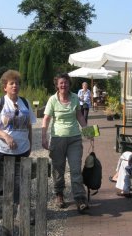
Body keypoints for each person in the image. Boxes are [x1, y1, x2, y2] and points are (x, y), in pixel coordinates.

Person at [42, 73, 89, 213]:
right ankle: (59, 194)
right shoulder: (52, 100)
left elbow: (79, 116)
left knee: (75, 169)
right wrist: (44, 137)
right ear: (57, 84)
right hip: (57, 139)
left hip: (74, 138)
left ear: (69, 84)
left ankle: (80, 198)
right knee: (58, 169)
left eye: (66, 83)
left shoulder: (75, 97)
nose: (64, 85)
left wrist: (88, 132)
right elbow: (46, 119)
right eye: (61, 83)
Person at [0, 70, 37, 157]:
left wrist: (30, 146)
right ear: (5, 87)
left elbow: (29, 126)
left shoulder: (25, 103)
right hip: (1, 150)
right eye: (11, 83)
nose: (15, 86)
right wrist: (6, 136)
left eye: (17, 83)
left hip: (22, 150)